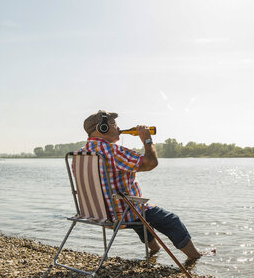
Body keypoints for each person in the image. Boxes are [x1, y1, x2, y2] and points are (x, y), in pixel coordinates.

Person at [82, 110, 208, 259]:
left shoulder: (82, 153)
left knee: (139, 215)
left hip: (95, 214)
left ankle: (155, 251)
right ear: (102, 128)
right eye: (113, 124)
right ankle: (195, 256)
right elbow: (151, 163)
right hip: (119, 214)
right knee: (170, 219)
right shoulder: (112, 151)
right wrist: (147, 140)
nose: (117, 127)